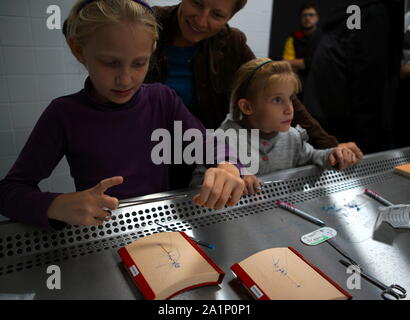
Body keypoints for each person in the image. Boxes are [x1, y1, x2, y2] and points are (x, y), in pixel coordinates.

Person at [0, 0, 246, 230]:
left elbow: (208, 142)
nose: (125, 79)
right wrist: (56, 204)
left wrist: (228, 166)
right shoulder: (63, 115)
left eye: (139, 63)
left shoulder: (162, 98)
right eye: (110, 62)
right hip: (99, 230)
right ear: (78, 50)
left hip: (159, 225)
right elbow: (10, 191)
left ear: (152, 50)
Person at [145, 0, 363, 189]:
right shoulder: (145, 23)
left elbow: (276, 89)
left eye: (217, 14)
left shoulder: (231, 43)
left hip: (208, 158)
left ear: (230, 16)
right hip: (149, 158)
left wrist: (331, 147)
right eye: (197, 3)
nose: (201, 21)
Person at [191, 59, 360, 194]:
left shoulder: (292, 137)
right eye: (277, 100)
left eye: (291, 98)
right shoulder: (223, 139)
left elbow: (313, 156)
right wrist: (230, 180)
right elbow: (196, 188)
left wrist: (333, 155)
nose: (289, 109)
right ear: (247, 107)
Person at [282, 1, 323, 92]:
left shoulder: (324, 39)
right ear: (300, 18)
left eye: (311, 15)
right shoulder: (293, 38)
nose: (307, 18)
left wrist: (294, 62)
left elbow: (315, 63)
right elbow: (286, 63)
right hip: (297, 86)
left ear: (317, 18)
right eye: (304, 15)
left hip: (318, 87)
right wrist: (305, 63)